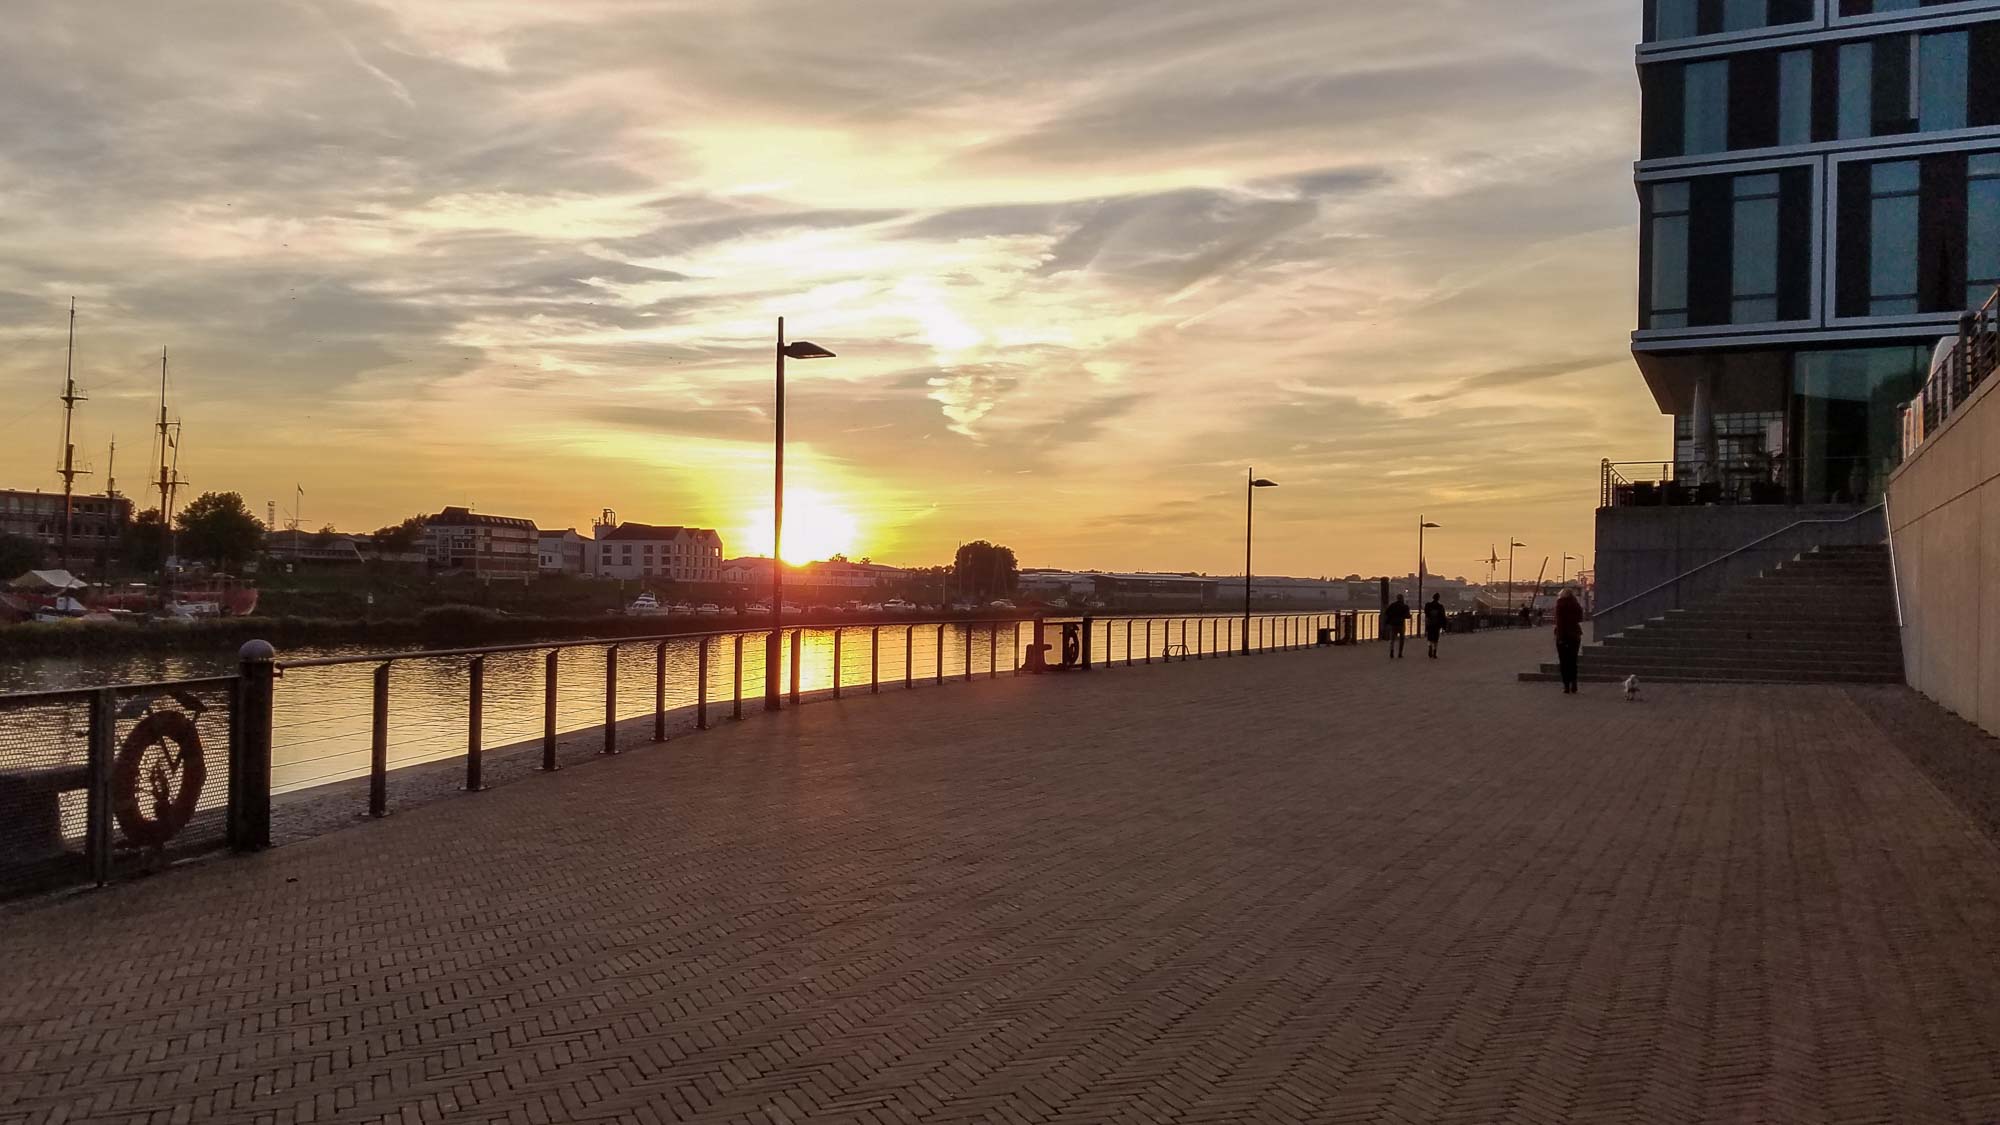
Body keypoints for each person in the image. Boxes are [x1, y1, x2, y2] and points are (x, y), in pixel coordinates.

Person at [1554, 587, 1584, 694]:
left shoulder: (1560, 604)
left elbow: (1559, 622)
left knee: (1564, 661)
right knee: (1573, 660)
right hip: (1575, 635)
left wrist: (1560, 637)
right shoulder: (1576, 604)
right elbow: (1580, 618)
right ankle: (1574, 683)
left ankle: (1566, 686)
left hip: (1563, 635)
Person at [1384, 593, 1411, 659]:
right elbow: (1407, 616)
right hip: (1401, 624)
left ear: (1397, 598)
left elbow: (1387, 612)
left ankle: (1392, 651)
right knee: (1401, 639)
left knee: (1392, 639)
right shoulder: (1405, 606)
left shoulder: (1392, 605)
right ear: (1402, 599)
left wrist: (1390, 619)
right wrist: (1408, 616)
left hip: (1393, 624)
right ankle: (1400, 653)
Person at [1423, 594, 1447, 659]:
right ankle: (1434, 651)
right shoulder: (1440, 606)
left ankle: (1430, 646)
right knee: (1436, 639)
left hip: (1430, 624)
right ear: (1438, 598)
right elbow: (1443, 617)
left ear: (1432, 598)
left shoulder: (1428, 605)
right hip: (1437, 624)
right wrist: (1444, 626)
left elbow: (1426, 612)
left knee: (1429, 637)